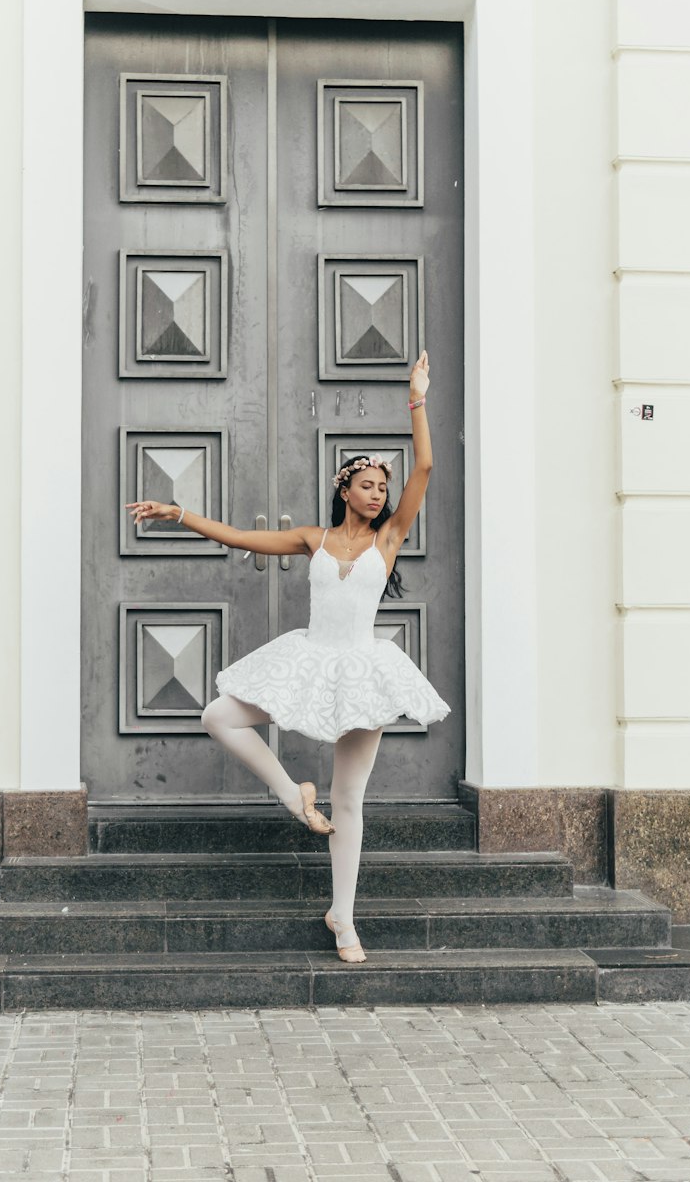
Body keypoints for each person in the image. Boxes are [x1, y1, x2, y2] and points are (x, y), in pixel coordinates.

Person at [125, 350, 449, 963]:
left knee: (350, 799)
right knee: (218, 715)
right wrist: (178, 513)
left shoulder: (390, 537)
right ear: (345, 490)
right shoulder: (313, 539)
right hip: (309, 658)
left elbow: (426, 467)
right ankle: (290, 792)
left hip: (361, 671)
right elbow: (242, 538)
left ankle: (343, 918)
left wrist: (417, 398)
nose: (379, 494)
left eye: (384, 487)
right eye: (368, 485)